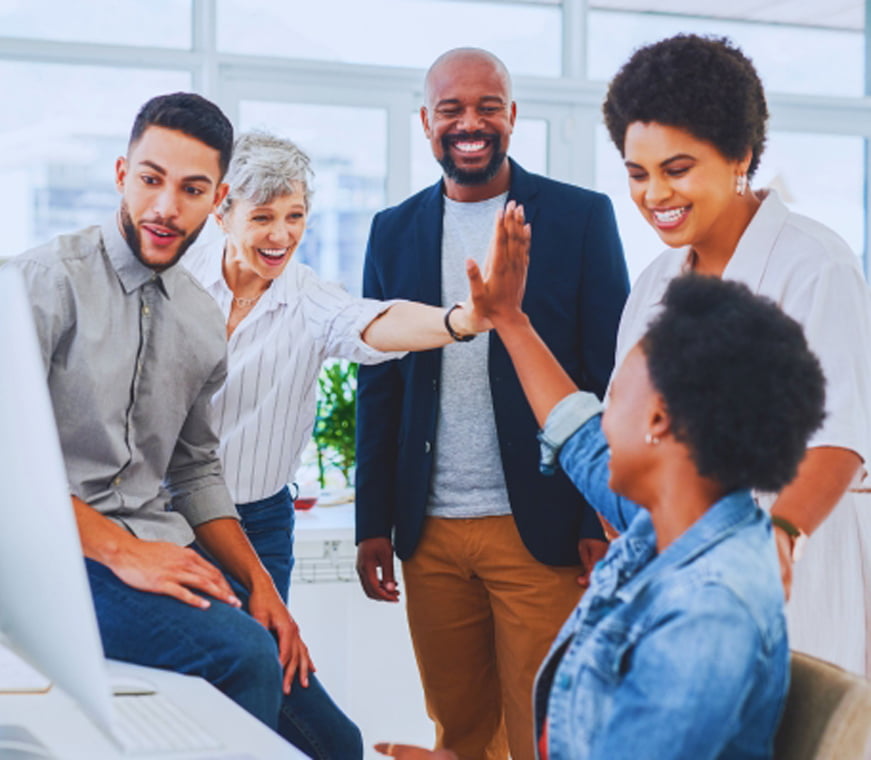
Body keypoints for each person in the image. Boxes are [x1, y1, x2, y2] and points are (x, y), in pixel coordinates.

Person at [375, 206, 827, 759]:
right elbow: (576, 434)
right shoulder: (671, 521)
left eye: (615, 396)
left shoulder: (708, 608)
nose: (602, 414)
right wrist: (510, 321)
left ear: (659, 420)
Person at [7, 93, 362, 759]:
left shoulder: (199, 318)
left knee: (336, 743)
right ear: (122, 174)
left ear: (216, 200)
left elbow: (194, 470)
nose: (166, 206)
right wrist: (123, 552)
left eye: (192, 189)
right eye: (151, 179)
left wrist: (262, 589)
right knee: (243, 657)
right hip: (55, 558)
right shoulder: (39, 285)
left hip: (156, 546)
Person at [355, 48, 630, 760]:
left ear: (512, 115)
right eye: (451, 109)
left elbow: (609, 378)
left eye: (486, 107)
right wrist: (371, 520)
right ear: (426, 122)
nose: (469, 124)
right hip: (429, 533)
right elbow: (379, 383)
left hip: (542, 525)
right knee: (458, 733)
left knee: (543, 732)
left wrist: (595, 514)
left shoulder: (580, 216)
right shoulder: (392, 229)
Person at [602, 33, 871, 676]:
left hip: (798, 571)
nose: (654, 195)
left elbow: (839, 439)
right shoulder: (653, 285)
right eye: (638, 174)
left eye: (677, 169)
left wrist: (779, 539)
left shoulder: (816, 264)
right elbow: (627, 431)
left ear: (740, 156)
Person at [183, 130, 494, 604]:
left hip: (257, 524)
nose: (281, 235)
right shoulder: (178, 278)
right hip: (169, 517)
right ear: (221, 213)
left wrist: (460, 321)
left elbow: (371, 322)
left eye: (295, 216)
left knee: (262, 649)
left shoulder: (309, 298)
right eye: (262, 217)